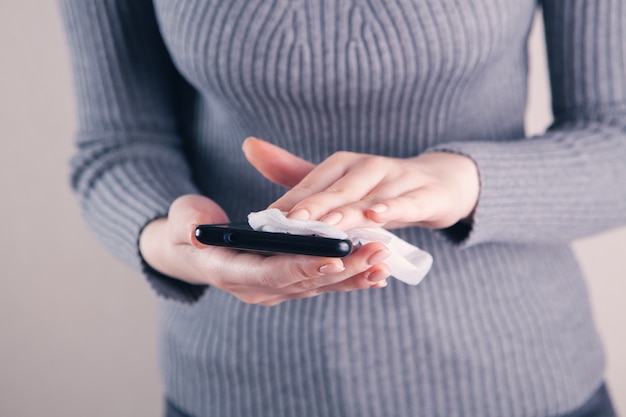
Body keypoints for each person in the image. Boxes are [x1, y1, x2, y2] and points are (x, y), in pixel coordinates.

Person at [59, 1, 624, 416]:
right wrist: (173, 244)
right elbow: (119, 144)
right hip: (236, 385)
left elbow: (615, 136)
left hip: (519, 383)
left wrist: (457, 182)